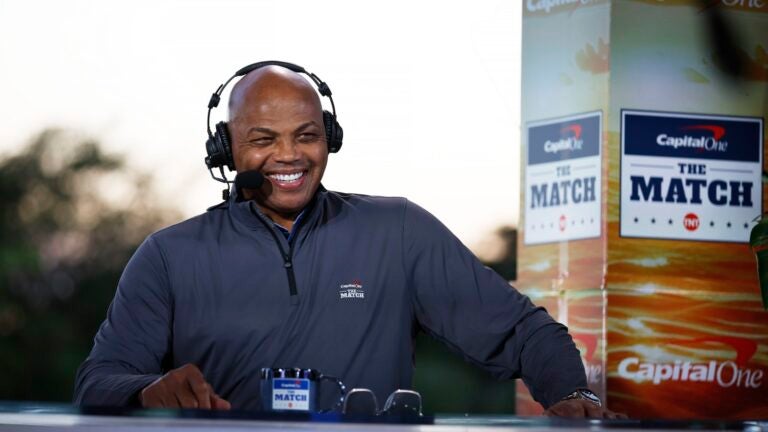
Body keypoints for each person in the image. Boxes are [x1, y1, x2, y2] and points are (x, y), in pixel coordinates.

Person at [74, 63, 623, 418]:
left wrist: (573, 397)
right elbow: (97, 382)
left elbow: (525, 332)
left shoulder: (399, 231)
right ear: (227, 151)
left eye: (306, 136)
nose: (289, 156)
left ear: (330, 139)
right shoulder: (168, 256)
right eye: (264, 140)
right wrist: (147, 392)